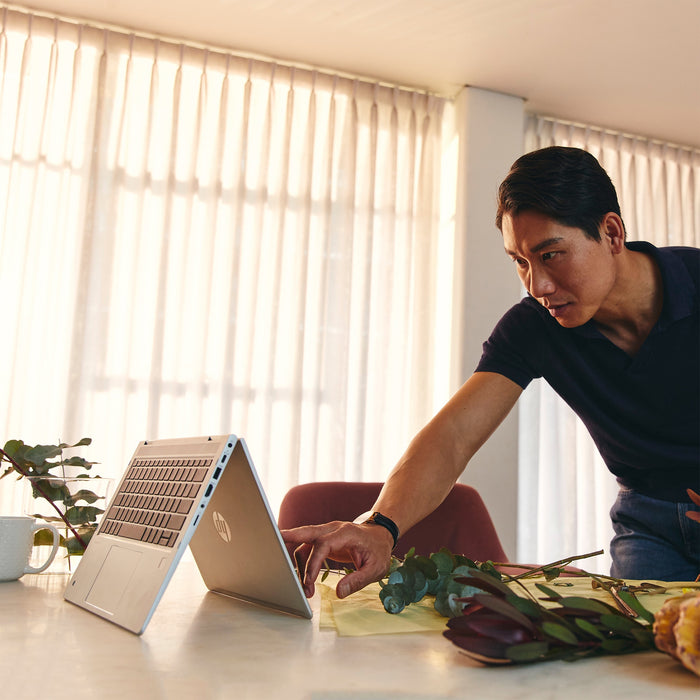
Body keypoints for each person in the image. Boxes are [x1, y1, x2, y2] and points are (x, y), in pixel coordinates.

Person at [282, 146, 700, 599]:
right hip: (647, 522)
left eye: (552, 255)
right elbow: (454, 436)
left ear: (611, 232)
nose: (537, 285)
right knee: (644, 658)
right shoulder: (536, 327)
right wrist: (381, 526)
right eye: (520, 261)